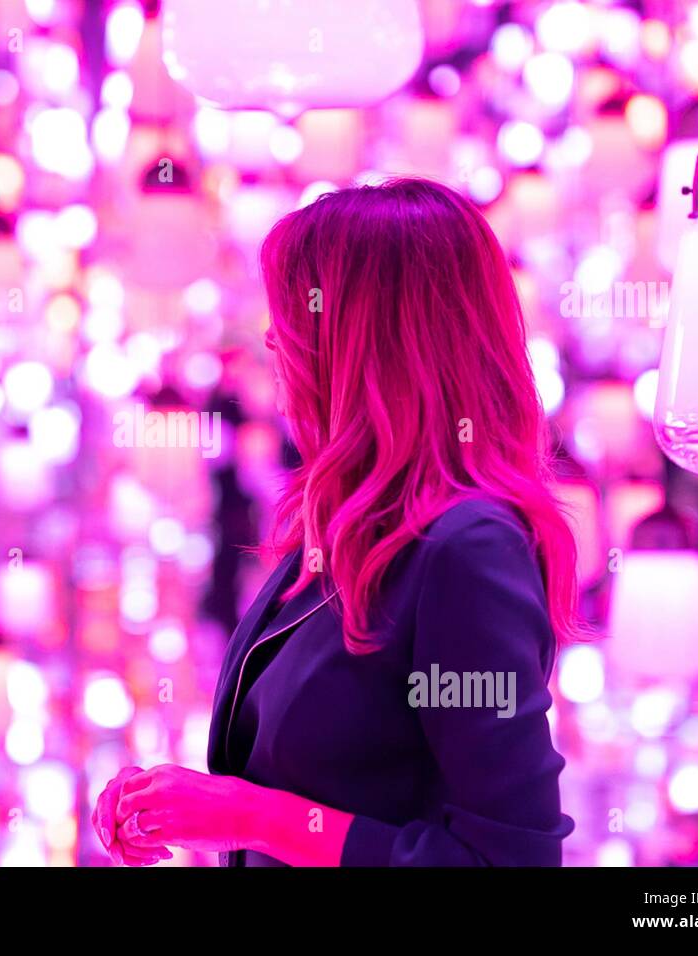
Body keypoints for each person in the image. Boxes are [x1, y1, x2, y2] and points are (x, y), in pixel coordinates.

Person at [92, 179, 580, 866]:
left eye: (294, 313)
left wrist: (252, 817)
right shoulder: (350, 531)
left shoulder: (466, 550)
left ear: (371, 342)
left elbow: (508, 862)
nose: (269, 337)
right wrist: (182, 804)